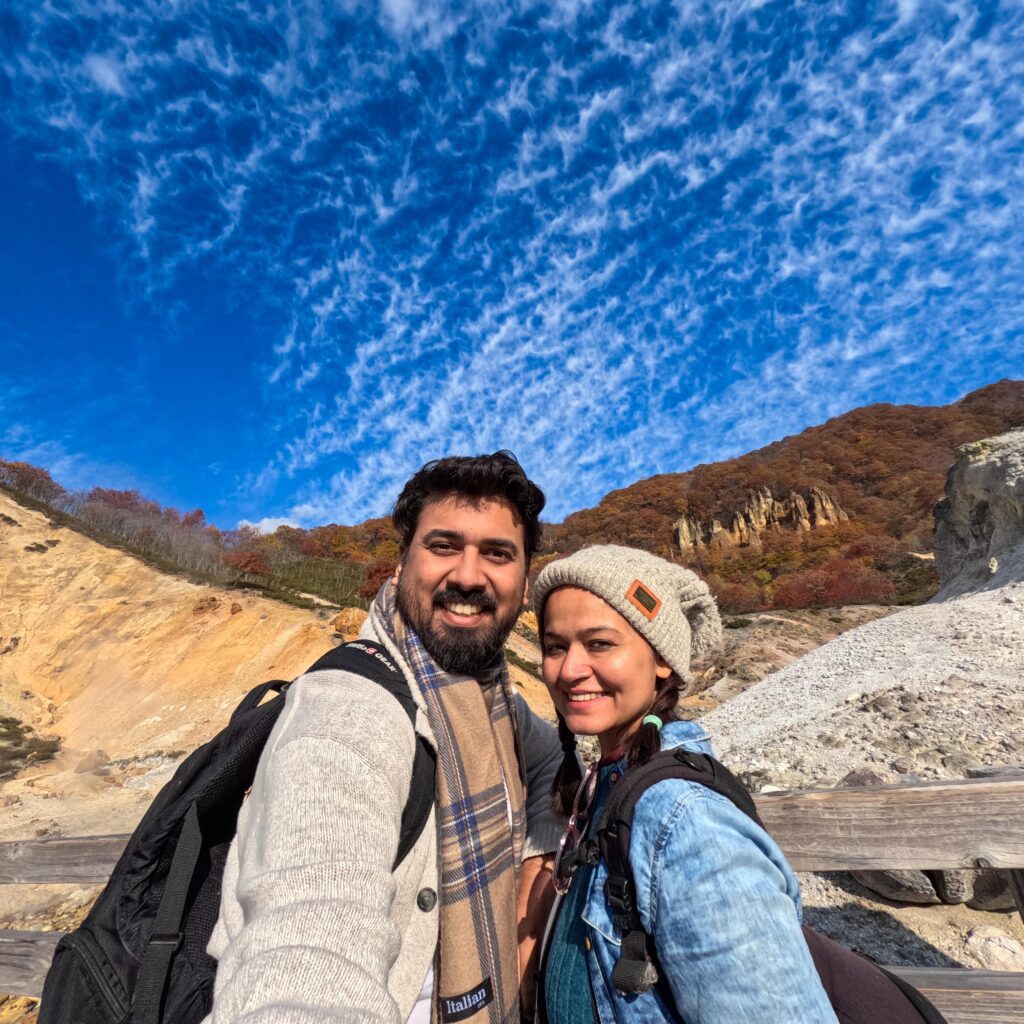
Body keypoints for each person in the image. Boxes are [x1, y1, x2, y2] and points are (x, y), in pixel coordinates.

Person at [206, 452, 565, 1024]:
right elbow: (305, 948)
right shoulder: (346, 709)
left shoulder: (498, 706)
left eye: (497, 554)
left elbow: (557, 765)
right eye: (443, 546)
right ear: (400, 567)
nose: (469, 575)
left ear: (524, 584)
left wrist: (536, 863)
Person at [531, 544, 840, 1024]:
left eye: (600, 643)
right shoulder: (612, 785)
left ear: (661, 661)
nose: (569, 669)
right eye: (555, 646)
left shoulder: (687, 819)